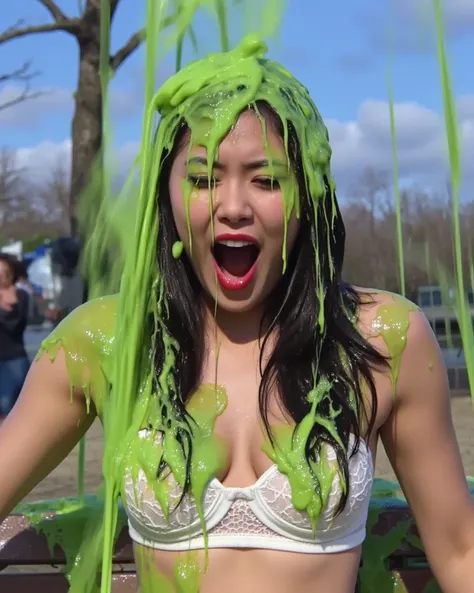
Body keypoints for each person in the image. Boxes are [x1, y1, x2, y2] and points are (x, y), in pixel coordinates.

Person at [0, 36, 473, 593]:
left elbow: (460, 551)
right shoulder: (110, 341)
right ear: (167, 194)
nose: (232, 206)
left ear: (310, 194)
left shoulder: (380, 339)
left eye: (267, 179)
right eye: (202, 179)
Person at [0, 254, 30, 419]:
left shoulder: (21, 296)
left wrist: (5, 306)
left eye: (5, 271)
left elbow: (16, 325)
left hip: (13, 359)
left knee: (7, 404)